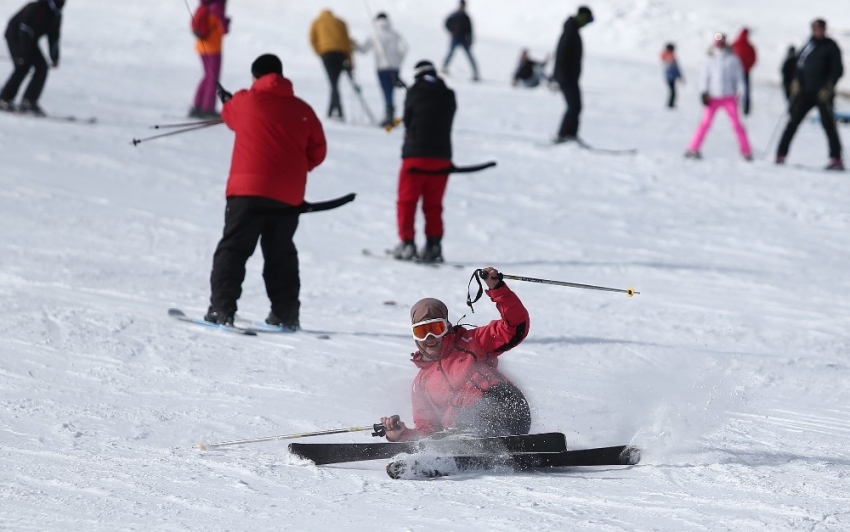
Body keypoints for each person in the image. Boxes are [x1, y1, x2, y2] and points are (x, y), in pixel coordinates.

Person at [204, 54, 327, 329]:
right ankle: (286, 316)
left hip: (247, 192)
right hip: (287, 196)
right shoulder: (302, 109)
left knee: (234, 249)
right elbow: (318, 151)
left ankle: (222, 310)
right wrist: (293, 169)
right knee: (280, 254)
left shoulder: (246, 100)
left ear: (255, 76)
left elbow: (229, 115)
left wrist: (228, 100)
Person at [379, 267, 532, 441]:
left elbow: (515, 327)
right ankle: (466, 443)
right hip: (465, 427)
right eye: (422, 332)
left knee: (471, 415)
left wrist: (498, 289)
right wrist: (402, 435)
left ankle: (470, 438)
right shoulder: (421, 384)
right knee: (449, 432)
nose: (430, 338)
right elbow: (428, 431)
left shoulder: (473, 341)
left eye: (436, 329)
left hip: (505, 406)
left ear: (447, 326)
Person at [392, 60, 456, 264]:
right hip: (443, 158)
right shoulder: (449, 94)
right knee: (434, 205)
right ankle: (433, 245)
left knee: (407, 202)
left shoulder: (414, 90)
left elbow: (408, 121)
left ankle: (407, 243)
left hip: (415, 156)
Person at [776, 19, 844, 171]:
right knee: (793, 122)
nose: (819, 30)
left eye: (821, 28)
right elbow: (798, 65)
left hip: (822, 94)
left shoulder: (831, 46)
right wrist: (796, 80)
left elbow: (838, 69)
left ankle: (836, 158)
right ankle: (780, 154)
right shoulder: (808, 45)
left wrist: (829, 86)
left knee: (829, 126)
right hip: (805, 92)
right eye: (816, 28)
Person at [685, 33, 753, 161]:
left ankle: (746, 152)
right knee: (704, 124)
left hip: (729, 97)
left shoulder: (733, 59)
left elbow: (739, 79)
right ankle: (693, 148)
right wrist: (703, 92)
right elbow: (704, 77)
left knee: (737, 125)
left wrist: (742, 95)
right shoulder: (708, 59)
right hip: (713, 97)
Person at [0, 0, 64, 115]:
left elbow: (54, 37)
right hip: (15, 36)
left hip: (30, 40)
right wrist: (23, 52)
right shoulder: (39, 7)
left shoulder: (56, 14)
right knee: (22, 66)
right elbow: (24, 28)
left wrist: (54, 57)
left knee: (41, 68)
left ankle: (29, 101)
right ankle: (4, 99)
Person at [357, 12, 407, 128]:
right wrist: (398, 61)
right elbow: (404, 49)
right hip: (395, 67)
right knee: (393, 90)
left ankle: (389, 116)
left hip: (381, 68)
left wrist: (354, 45)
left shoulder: (375, 34)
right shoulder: (395, 34)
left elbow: (363, 49)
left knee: (386, 91)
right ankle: (392, 114)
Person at [552, 5, 593, 143]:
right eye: (588, 20)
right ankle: (565, 135)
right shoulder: (570, 32)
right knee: (574, 106)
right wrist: (560, 76)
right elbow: (561, 55)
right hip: (567, 77)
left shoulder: (572, 30)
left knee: (575, 106)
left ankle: (569, 135)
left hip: (569, 77)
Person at [309, 9, 354, 120]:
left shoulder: (317, 22)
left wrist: (319, 51)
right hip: (341, 53)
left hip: (327, 54)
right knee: (334, 82)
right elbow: (347, 42)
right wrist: (350, 61)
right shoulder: (340, 22)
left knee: (333, 83)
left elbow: (312, 38)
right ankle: (336, 111)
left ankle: (336, 111)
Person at [189, 0, 229, 119]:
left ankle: (198, 105)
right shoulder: (218, 6)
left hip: (201, 45)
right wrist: (226, 22)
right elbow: (224, 29)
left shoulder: (205, 4)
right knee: (213, 79)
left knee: (207, 76)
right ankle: (207, 109)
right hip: (213, 48)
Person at [441, 0, 479, 81]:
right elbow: (446, 23)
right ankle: (444, 68)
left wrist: (470, 40)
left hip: (463, 38)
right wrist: (451, 31)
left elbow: (470, 30)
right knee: (450, 53)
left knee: (469, 55)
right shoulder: (454, 15)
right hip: (455, 37)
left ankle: (475, 72)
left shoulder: (466, 17)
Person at [731, 28, 757, 115]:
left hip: (735, 72)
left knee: (733, 89)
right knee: (746, 90)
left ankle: (732, 106)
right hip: (745, 72)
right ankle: (746, 108)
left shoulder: (734, 44)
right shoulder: (750, 47)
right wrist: (748, 67)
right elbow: (754, 59)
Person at [660, 43, 683, 108]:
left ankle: (670, 104)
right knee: (673, 92)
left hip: (669, 77)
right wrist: (679, 76)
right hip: (671, 77)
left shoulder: (665, 56)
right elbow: (675, 68)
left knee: (672, 91)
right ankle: (670, 104)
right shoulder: (670, 57)